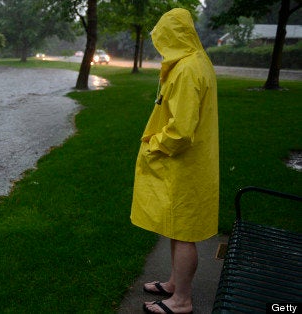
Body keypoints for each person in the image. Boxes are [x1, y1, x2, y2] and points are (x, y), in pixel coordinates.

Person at [130, 8, 219, 314]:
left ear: (175, 36)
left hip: (184, 163)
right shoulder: (196, 61)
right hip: (191, 164)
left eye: (164, 38)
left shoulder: (186, 70)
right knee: (176, 227)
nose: (161, 46)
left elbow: (180, 133)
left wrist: (154, 143)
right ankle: (173, 284)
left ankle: (181, 301)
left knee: (183, 233)